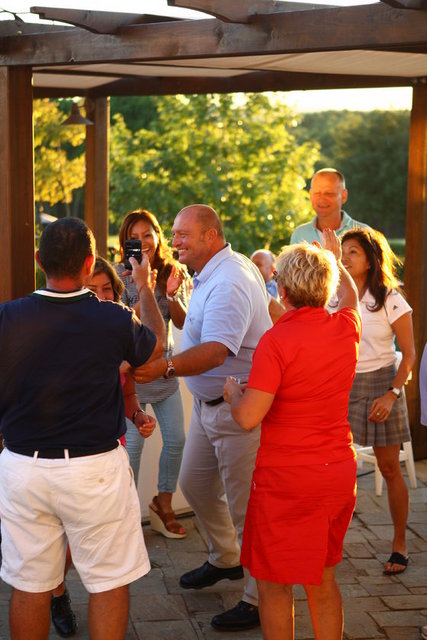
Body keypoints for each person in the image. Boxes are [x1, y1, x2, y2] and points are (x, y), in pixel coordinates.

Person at [0, 217, 165, 640]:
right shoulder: (112, 317)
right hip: (95, 469)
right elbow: (155, 347)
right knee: (108, 582)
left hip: (24, 465)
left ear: (39, 261)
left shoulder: (7, 318)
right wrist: (144, 286)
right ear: (90, 262)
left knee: (30, 585)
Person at [132, 204, 272, 631]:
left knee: (249, 509)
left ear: (211, 235)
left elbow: (215, 351)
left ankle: (259, 598)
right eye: (174, 233)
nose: (174, 241)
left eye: (183, 234)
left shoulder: (229, 280)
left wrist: (166, 368)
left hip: (237, 410)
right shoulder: (216, 269)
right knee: (194, 484)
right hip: (210, 408)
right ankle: (227, 558)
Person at [223, 231, 360, 640]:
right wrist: (336, 261)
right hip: (335, 472)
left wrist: (234, 395)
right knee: (322, 580)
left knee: (273, 584)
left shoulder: (276, 341)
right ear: (327, 288)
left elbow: (248, 417)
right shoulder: (345, 327)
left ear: (281, 290)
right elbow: (351, 298)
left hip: (287, 480)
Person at [340, 228, 415, 575]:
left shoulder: (390, 297)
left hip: (384, 384)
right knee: (336, 466)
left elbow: (409, 354)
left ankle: (399, 545)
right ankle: (329, 541)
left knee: (388, 468)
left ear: (370, 259)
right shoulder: (334, 295)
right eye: (342, 251)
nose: (345, 258)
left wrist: (391, 394)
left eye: (352, 252)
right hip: (343, 386)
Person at [115, 209, 187, 539]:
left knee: (176, 441)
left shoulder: (171, 270)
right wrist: (143, 286)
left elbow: (181, 321)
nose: (142, 242)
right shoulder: (118, 275)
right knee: (132, 451)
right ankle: (126, 517)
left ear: (158, 236)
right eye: (135, 236)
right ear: (125, 241)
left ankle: (163, 504)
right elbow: (122, 322)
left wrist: (170, 294)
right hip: (133, 378)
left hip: (165, 374)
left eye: (148, 234)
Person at [290, 168, 369, 245]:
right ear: (310, 195)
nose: (322, 199)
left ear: (344, 196)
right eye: (317, 193)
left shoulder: (364, 233)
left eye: (329, 193)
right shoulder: (299, 234)